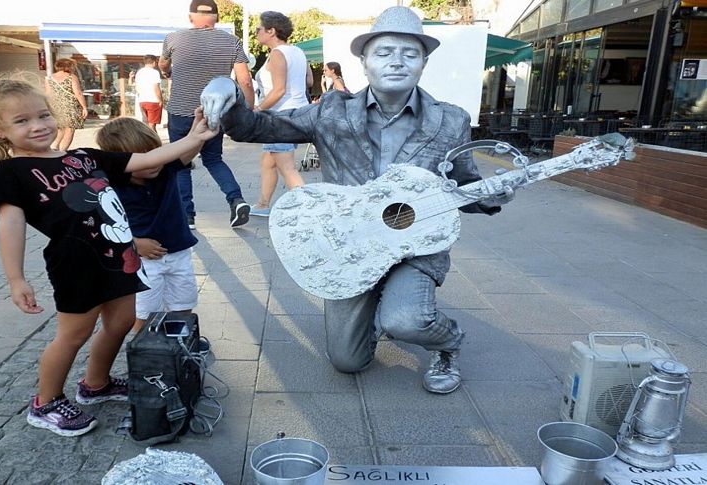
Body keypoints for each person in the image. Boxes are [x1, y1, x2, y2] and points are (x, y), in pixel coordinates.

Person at [201, 6, 517, 394]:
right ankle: (386, 306)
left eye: (410, 54)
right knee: (347, 361)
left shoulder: (449, 120)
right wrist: (228, 92)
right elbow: (257, 127)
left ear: (424, 63)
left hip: (415, 245)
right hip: (350, 245)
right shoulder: (332, 111)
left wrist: (490, 196)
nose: (397, 62)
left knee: (407, 321)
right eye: (384, 52)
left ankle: (445, 341)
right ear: (364, 61)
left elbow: (463, 186)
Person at [0, 74, 217, 437]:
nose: (38, 126)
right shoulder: (10, 172)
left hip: (119, 259)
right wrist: (16, 278)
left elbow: (149, 158)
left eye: (43, 115)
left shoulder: (84, 158)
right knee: (73, 335)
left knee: (120, 324)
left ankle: (96, 383)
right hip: (77, 266)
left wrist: (194, 137)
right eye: (21, 121)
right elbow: (9, 224)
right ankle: (46, 402)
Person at [159, 0, 255, 229]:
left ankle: (187, 215)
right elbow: (245, 80)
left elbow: (163, 65)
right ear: (217, 18)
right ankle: (236, 199)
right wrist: (248, 110)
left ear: (191, 17)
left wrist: (169, 71)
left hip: (181, 111)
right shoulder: (232, 42)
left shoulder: (173, 38)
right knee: (213, 159)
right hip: (214, 112)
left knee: (180, 162)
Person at [96, 118, 198, 334]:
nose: (154, 163)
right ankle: (145, 353)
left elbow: (191, 147)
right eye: (144, 159)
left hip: (178, 253)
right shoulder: (111, 188)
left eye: (155, 154)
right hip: (142, 262)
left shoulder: (165, 171)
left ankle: (180, 349)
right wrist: (134, 244)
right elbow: (101, 227)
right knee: (143, 314)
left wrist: (200, 125)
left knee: (183, 307)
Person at [250, 11, 312, 217]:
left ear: (272, 31)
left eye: (259, 29)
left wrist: (258, 109)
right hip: (295, 112)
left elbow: (279, 90)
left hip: (280, 117)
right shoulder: (297, 52)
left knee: (287, 167)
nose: (256, 32)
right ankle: (263, 204)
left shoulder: (277, 54)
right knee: (268, 160)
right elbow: (308, 82)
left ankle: (310, 209)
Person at [45, 58, 87, 151]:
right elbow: (78, 93)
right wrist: (84, 107)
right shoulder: (71, 77)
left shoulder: (49, 78)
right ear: (69, 66)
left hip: (55, 106)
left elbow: (48, 94)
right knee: (70, 129)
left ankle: (54, 146)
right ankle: (63, 151)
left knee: (60, 128)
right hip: (70, 106)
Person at [134, 55, 163, 132]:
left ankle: (146, 141)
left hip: (142, 100)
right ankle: (154, 143)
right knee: (152, 125)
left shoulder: (139, 72)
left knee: (146, 124)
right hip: (153, 101)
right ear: (154, 62)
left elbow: (136, 87)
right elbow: (156, 87)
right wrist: (160, 100)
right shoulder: (154, 72)